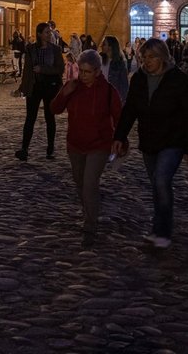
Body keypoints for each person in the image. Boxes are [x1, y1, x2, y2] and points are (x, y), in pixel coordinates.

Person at [112, 38, 188, 249]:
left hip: (172, 140)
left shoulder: (178, 79)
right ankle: (158, 227)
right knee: (157, 185)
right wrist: (120, 136)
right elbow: (130, 109)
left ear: (163, 57)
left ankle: (163, 232)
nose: (147, 61)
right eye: (144, 57)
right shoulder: (139, 79)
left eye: (152, 57)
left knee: (161, 180)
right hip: (149, 140)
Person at [50, 49, 123, 248]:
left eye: (87, 72)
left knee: (90, 183)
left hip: (99, 144)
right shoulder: (73, 87)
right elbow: (54, 109)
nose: (83, 75)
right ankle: (89, 209)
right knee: (80, 182)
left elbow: (119, 117)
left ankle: (90, 224)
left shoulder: (108, 91)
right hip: (75, 144)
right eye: (81, 71)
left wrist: (120, 140)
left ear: (97, 71)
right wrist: (64, 93)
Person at [16, 21, 65, 161]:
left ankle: (50, 148)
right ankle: (24, 149)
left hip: (50, 87)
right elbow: (27, 70)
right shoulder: (31, 49)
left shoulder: (55, 49)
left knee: (50, 118)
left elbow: (60, 69)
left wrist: (43, 69)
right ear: (39, 34)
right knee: (30, 118)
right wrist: (23, 87)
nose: (50, 34)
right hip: (35, 86)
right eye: (47, 32)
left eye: (50, 32)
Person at [100, 35, 129, 104]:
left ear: (110, 47)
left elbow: (124, 84)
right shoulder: (99, 59)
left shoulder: (120, 63)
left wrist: (121, 100)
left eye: (104, 44)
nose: (101, 46)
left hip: (113, 98)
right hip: (100, 96)